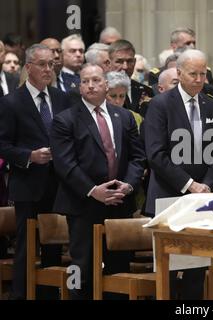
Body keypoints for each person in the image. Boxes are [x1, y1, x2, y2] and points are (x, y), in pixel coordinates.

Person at [50, 63, 145, 300]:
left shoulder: (124, 117)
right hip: (83, 205)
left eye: (96, 80)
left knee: (119, 270)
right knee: (81, 270)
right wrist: (93, 190)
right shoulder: (65, 120)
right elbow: (65, 164)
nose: (91, 85)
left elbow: (138, 157)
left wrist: (129, 185)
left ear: (106, 84)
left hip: (119, 203)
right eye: (85, 81)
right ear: (79, 86)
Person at [144, 49, 213, 299]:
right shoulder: (160, 104)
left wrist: (207, 185)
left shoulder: (211, 104)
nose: (199, 79)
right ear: (179, 74)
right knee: (169, 269)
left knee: (197, 268)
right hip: (170, 194)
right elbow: (156, 155)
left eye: (203, 74)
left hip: (200, 199)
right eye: (193, 74)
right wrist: (190, 184)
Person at [0, 44, 70, 299]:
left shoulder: (62, 98)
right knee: (27, 248)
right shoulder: (11, 102)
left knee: (54, 248)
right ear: (28, 67)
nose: (48, 69)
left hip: (58, 184)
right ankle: (21, 295)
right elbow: (3, 144)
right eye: (42, 64)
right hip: (28, 184)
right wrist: (29, 156)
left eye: (52, 64)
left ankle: (49, 294)